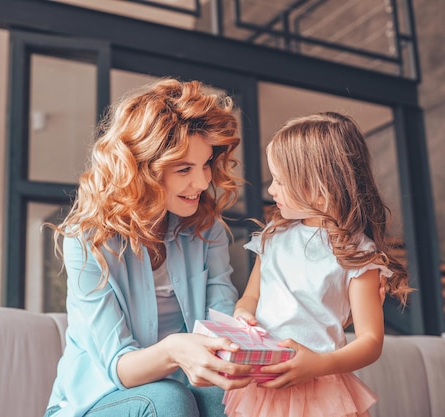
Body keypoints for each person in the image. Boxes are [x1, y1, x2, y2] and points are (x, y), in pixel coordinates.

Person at [43, 78, 256, 417]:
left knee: (224, 397)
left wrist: (248, 341)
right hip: (95, 402)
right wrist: (174, 351)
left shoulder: (206, 229)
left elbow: (221, 320)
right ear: (142, 170)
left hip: (178, 397)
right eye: (184, 169)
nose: (201, 182)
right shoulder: (86, 240)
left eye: (205, 165)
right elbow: (119, 367)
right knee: (167, 399)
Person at [222, 112, 413, 417]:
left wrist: (318, 365)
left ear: (320, 187)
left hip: (323, 391)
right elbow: (251, 296)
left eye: (281, 181)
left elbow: (371, 340)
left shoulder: (357, 254)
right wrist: (243, 314)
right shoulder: (272, 237)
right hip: (264, 388)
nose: (271, 190)